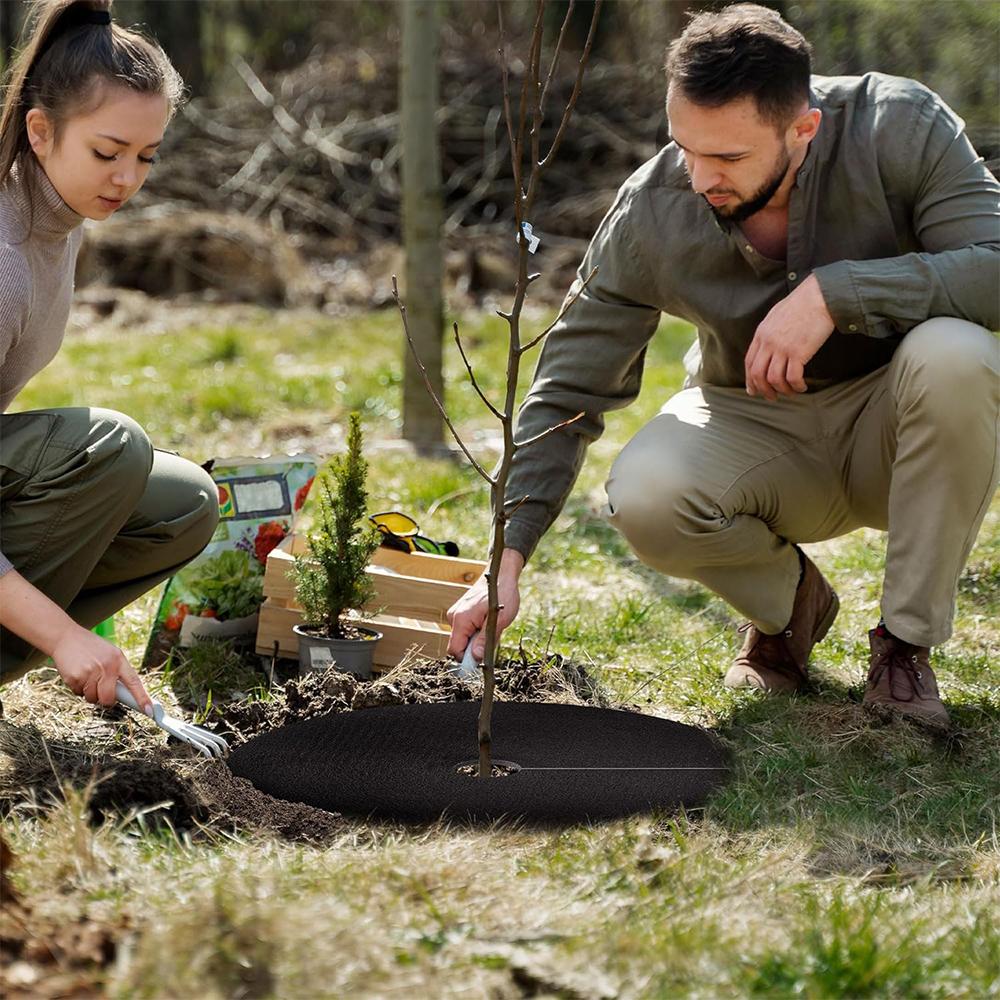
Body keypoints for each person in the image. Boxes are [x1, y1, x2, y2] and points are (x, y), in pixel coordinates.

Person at [448, 3, 999, 727]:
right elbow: (566, 389)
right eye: (686, 148)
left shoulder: (900, 125)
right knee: (645, 491)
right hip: (753, 425)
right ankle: (789, 608)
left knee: (961, 355)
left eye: (730, 159)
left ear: (804, 128)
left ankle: (903, 648)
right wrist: (505, 559)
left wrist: (841, 292)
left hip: (898, 430)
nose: (702, 176)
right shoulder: (652, 206)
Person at [0, 0, 219, 715]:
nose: (127, 178)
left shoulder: (57, 222)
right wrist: (65, 637)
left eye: (146, 157)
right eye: (107, 152)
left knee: (184, 503)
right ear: (41, 130)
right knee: (109, 447)